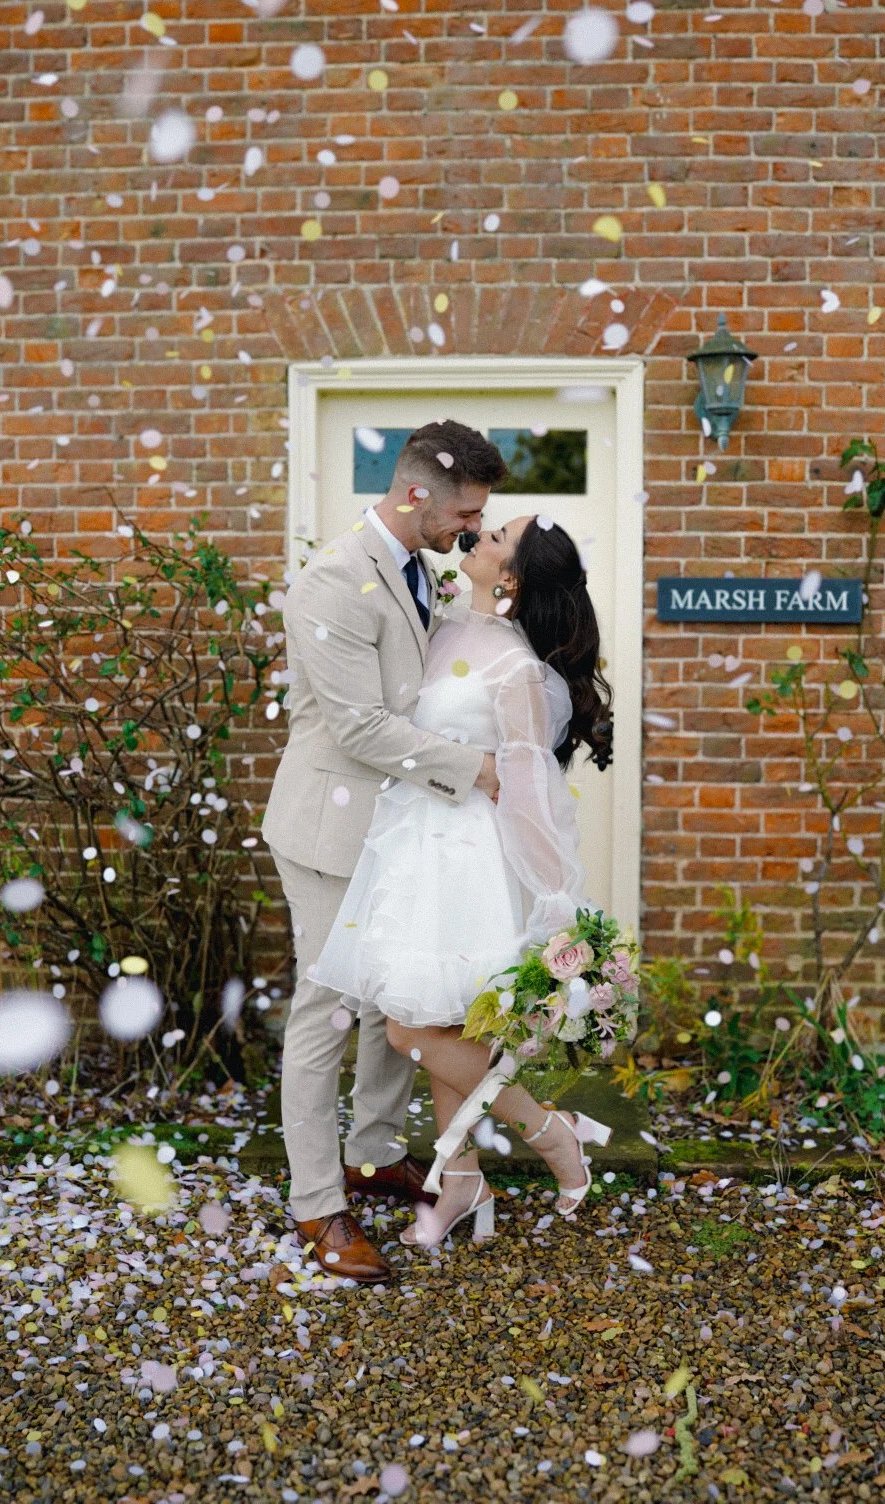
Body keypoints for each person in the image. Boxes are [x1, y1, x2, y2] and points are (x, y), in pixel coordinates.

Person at [307, 508, 616, 1254]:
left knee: (412, 1028)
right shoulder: (442, 624)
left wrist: (555, 899)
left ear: (509, 578)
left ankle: (552, 1133)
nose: (479, 537)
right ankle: (462, 1181)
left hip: (467, 857)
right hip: (410, 843)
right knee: (438, 1021)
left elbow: (528, 788)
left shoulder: (515, 667)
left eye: (497, 537)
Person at [262, 419, 509, 1283]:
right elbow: (361, 726)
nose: (471, 530)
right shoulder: (331, 582)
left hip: (394, 826)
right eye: (465, 514)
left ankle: (372, 1152)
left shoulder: (421, 572)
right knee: (326, 1014)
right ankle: (317, 1204)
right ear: (415, 496)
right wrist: (474, 768)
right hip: (330, 832)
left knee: (386, 999)